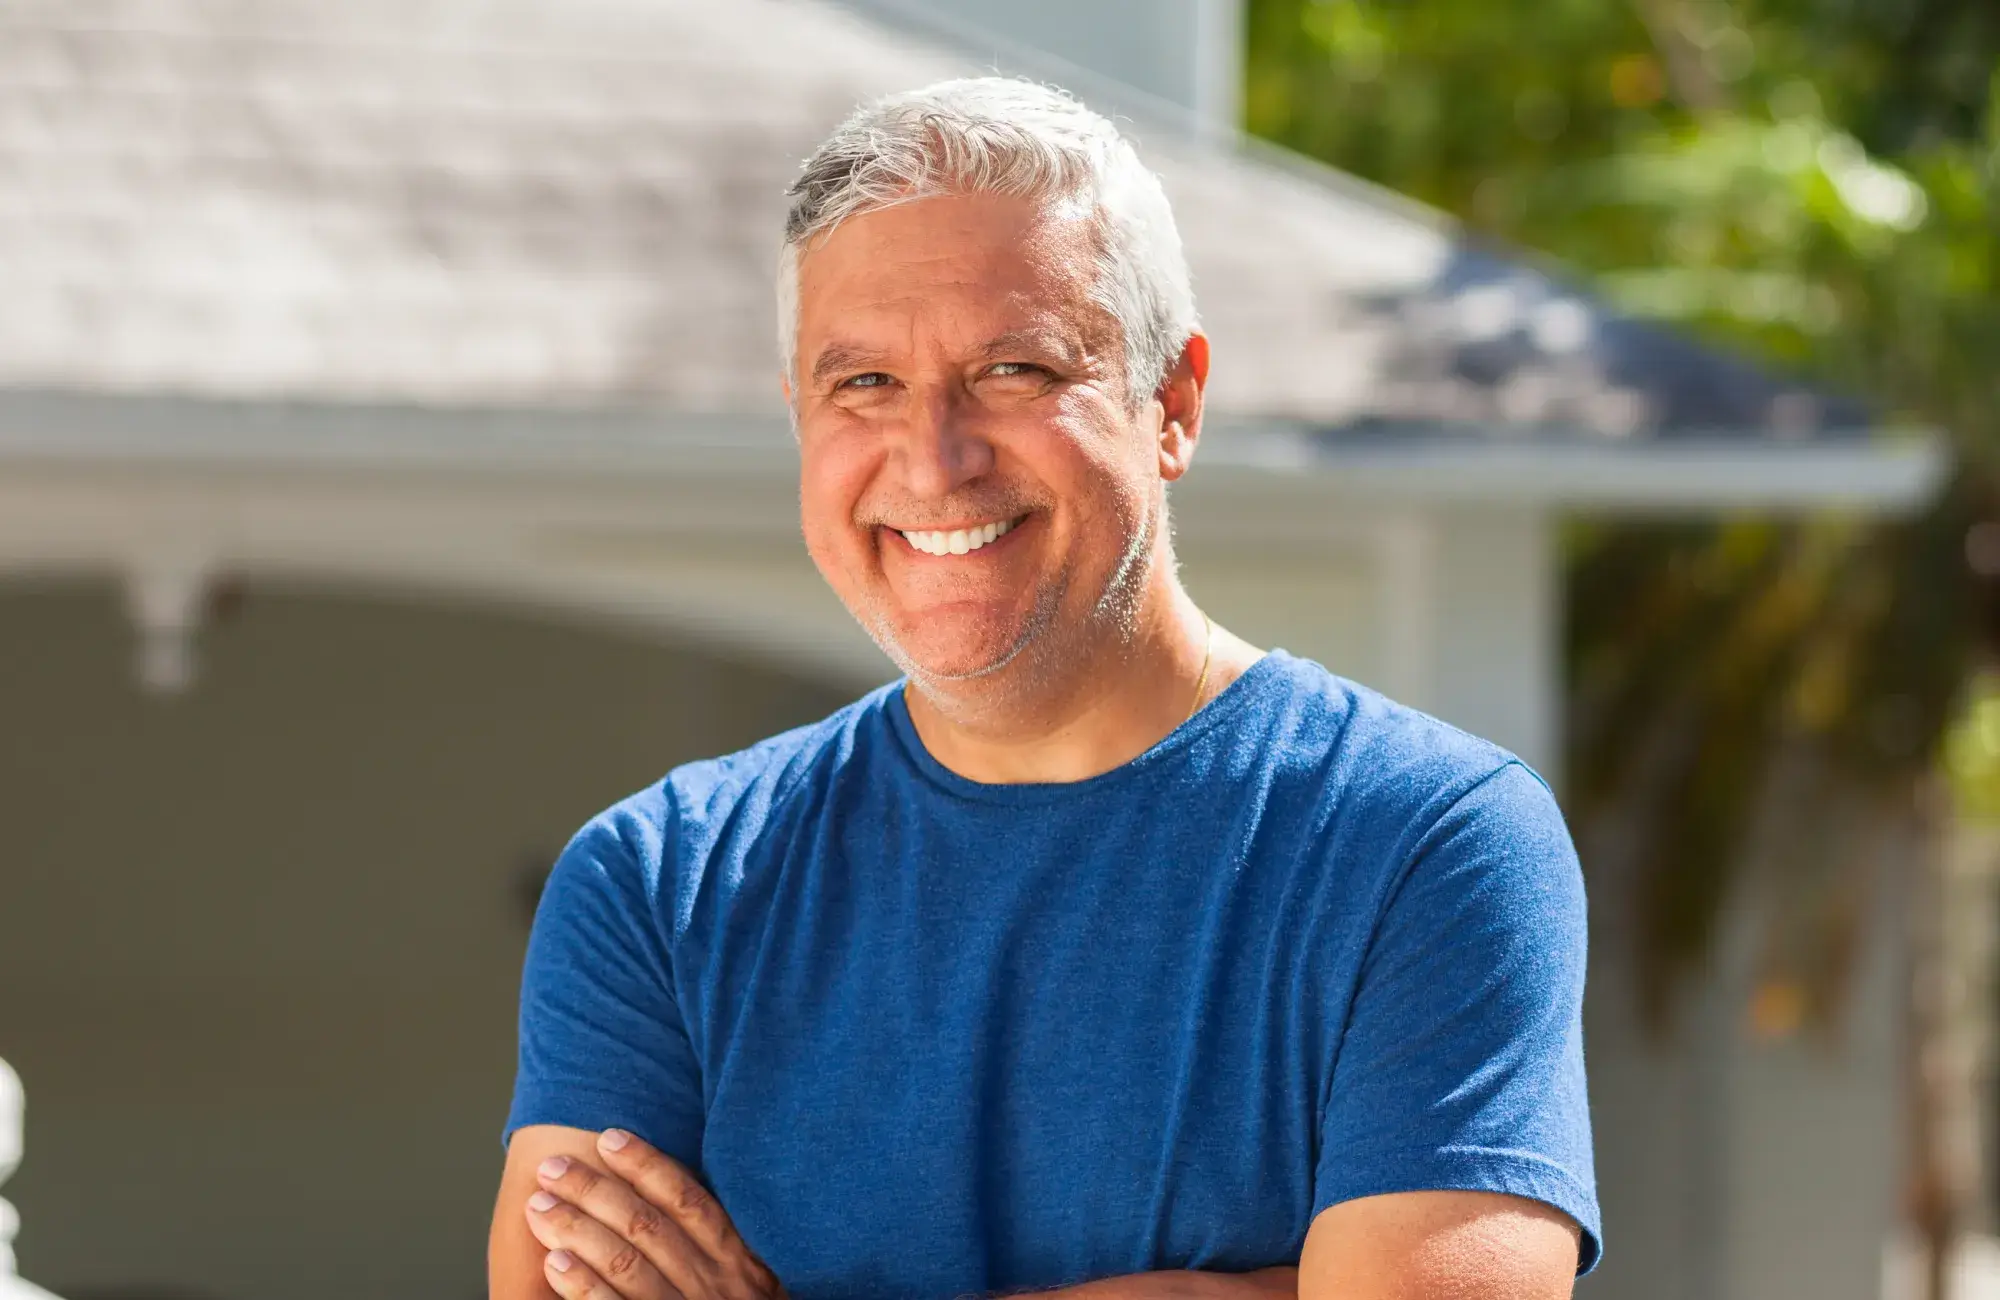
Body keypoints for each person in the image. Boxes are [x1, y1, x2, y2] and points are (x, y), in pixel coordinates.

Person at [488, 77, 1598, 1300]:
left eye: (1012, 369)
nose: (933, 458)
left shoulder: (1423, 842)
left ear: (1170, 402)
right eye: (862, 384)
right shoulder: (663, 885)